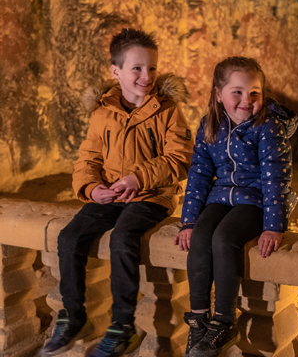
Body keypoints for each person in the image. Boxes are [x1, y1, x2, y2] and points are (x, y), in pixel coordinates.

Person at [39, 28, 194, 357]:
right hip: (109, 194)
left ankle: (122, 326)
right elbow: (88, 159)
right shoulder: (102, 111)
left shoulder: (169, 110)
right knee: (69, 238)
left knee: (124, 239)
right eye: (136, 68)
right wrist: (93, 189)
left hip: (151, 196)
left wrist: (137, 179)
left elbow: (180, 159)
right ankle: (74, 315)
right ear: (116, 71)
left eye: (152, 68)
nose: (146, 76)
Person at [173, 56, 298, 357]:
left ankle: (225, 322)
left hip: (256, 199)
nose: (247, 101)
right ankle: (199, 321)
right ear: (218, 94)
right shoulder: (210, 125)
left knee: (224, 238)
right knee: (201, 237)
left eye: (254, 93)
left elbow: (275, 178)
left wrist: (273, 226)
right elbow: (200, 174)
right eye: (237, 92)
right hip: (221, 196)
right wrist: (188, 221)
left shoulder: (267, 127)